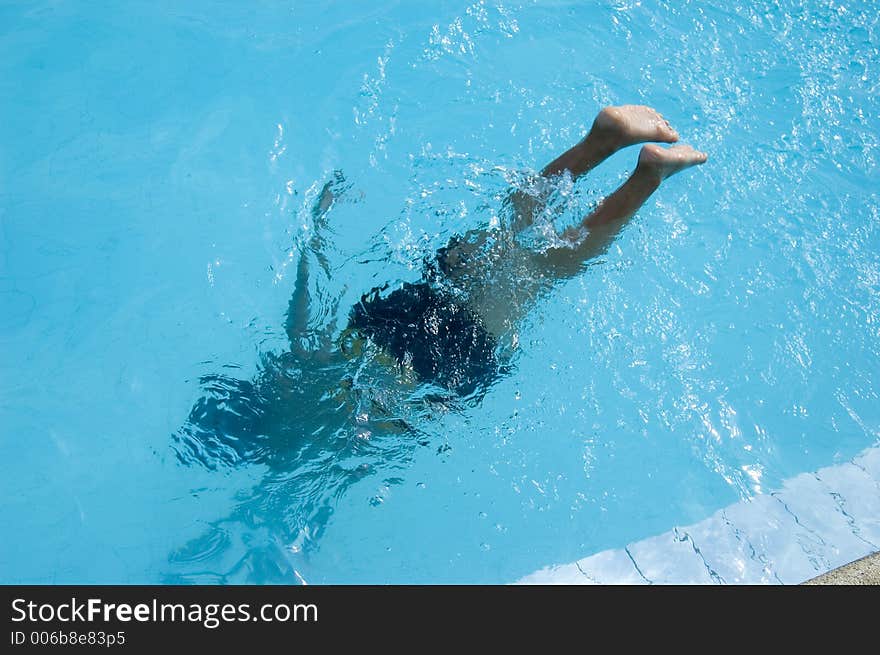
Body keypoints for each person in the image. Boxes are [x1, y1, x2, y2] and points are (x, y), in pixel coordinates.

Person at [338, 105, 707, 397]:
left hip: (429, 366)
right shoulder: (297, 373)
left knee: (547, 268)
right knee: (510, 223)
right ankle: (599, 142)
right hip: (381, 320)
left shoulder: (324, 439)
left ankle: (649, 175)